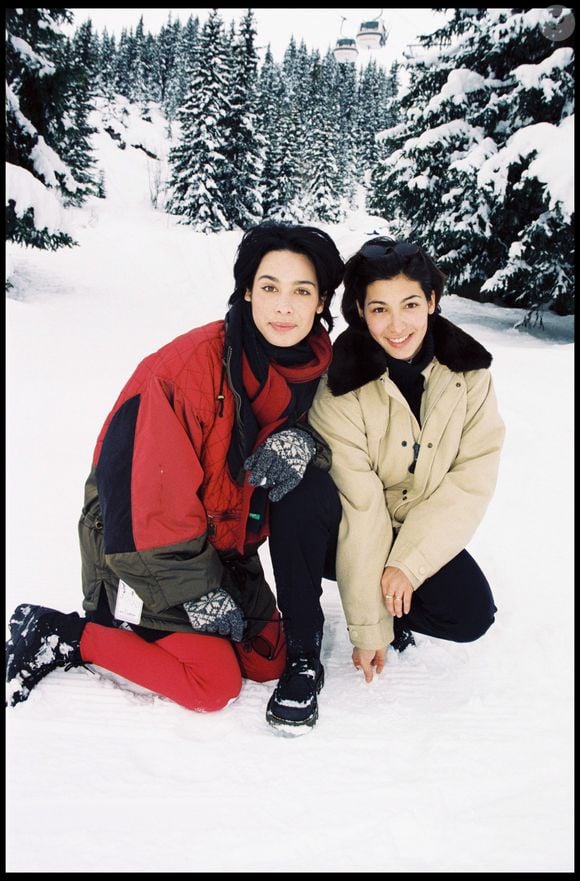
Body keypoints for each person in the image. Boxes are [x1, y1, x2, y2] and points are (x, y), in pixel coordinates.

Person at [5, 221, 344, 732]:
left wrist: (307, 443)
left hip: (221, 542)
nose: (284, 306)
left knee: (266, 659)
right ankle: (64, 633)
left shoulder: (311, 368)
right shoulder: (188, 370)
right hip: (138, 545)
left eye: (302, 291)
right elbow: (146, 502)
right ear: (247, 290)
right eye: (270, 287)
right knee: (213, 685)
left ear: (321, 302)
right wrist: (195, 593)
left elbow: (339, 440)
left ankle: (158, 624)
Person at [308, 237, 505, 684]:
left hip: (418, 520)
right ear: (359, 311)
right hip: (349, 526)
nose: (397, 325)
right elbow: (361, 506)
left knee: (471, 614)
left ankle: (397, 601)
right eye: (379, 309)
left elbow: (470, 481)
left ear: (432, 302)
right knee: (318, 524)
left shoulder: (470, 376)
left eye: (410, 304)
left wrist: (408, 563)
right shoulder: (338, 386)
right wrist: (369, 627)